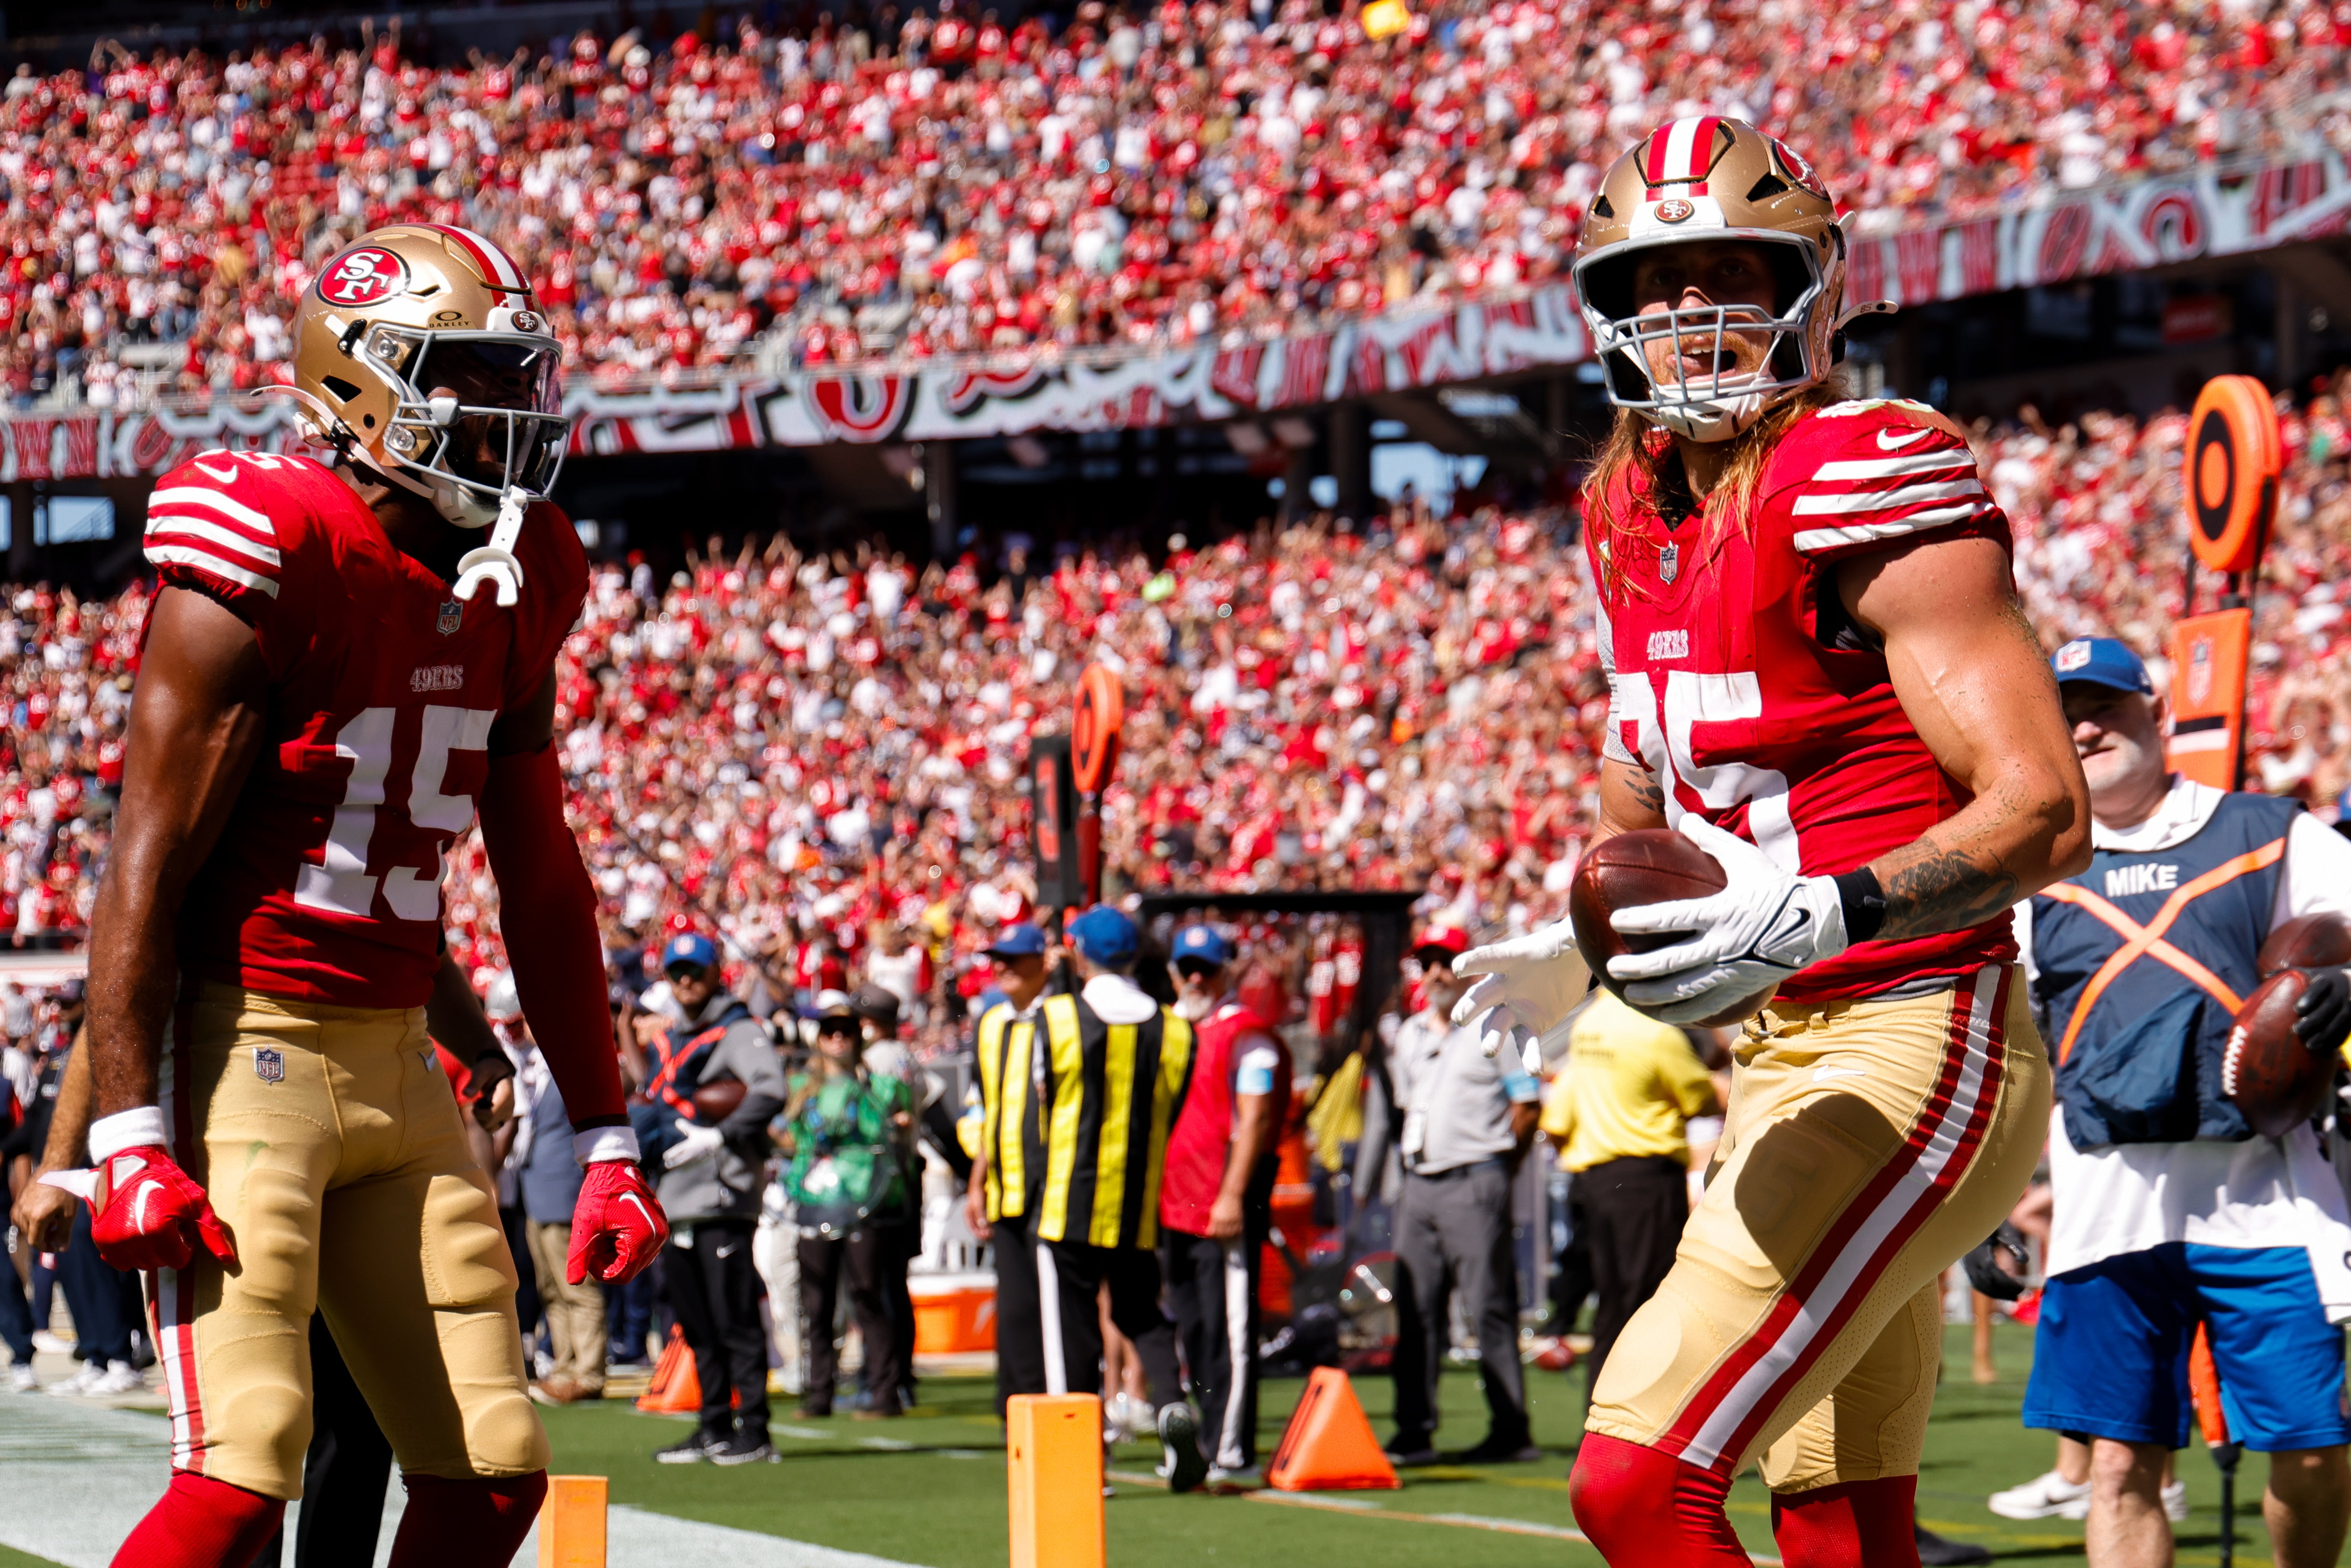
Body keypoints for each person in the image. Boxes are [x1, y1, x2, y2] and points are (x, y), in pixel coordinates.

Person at [1452, 118, 2089, 1567]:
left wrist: (1822, 907)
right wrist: (1589, 936)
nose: (1693, 313)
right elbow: (1649, 753)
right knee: (1829, 1503)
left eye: (1733, 270)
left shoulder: (1863, 466)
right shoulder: (1623, 505)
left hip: (1916, 1033)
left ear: (1815, 283)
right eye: (1658, 283)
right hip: (1780, 1052)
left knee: (1633, 1476)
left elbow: (2045, 805)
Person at [66, 224, 669, 1565]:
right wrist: (125, 1131)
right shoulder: (270, 542)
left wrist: (611, 1134)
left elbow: (542, 880)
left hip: (400, 1057)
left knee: (495, 1469)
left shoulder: (525, 567)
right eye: (472, 377)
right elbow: (144, 870)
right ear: (360, 385)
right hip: (245, 1044)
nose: (511, 412)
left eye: (519, 378)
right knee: (244, 1463)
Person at [2003, 637, 2351, 1568]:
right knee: (2119, 1463)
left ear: (2154, 712)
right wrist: (1988, 1204)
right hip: (2104, 1211)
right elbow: (2006, 1058)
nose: (2083, 726)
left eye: (2105, 705)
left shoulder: (2270, 831)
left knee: (2314, 1448)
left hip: (2269, 1201)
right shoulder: (2027, 873)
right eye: (2064, 709)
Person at [965, 910, 1186, 1415]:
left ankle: (1084, 1451)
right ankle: (1173, 1405)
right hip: (1132, 1192)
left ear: (1077, 954)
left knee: (1071, 1326)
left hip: (1065, 1192)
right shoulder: (1173, 1028)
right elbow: (1172, 1107)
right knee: (1139, 1310)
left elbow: (1044, 1101)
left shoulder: (1057, 1019)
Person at [1383, 922, 1544, 1467]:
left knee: (1488, 1307)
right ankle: (1414, 1429)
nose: (1435, 972)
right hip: (1421, 1181)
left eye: (1445, 960)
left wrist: (1497, 1170)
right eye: (1426, 961)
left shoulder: (1494, 1023)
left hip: (1474, 1176)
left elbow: (1526, 1105)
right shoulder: (1408, 1034)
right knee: (1415, 1308)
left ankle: (1510, 1427)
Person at [643, 933, 788, 1464]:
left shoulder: (738, 1029)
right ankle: (713, 1424)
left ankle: (755, 1426)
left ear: (715, 972)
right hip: (676, 1197)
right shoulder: (672, 1037)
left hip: (722, 1193)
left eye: (695, 970)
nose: (685, 980)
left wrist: (721, 1135)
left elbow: (770, 1089)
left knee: (733, 1315)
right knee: (696, 1321)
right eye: (676, 971)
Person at [1155, 923, 1290, 1490]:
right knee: (1193, 1326)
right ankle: (1203, 1441)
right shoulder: (1169, 1030)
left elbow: (1255, 1118)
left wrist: (1233, 1193)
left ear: (1226, 971)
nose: (1193, 978)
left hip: (1218, 1202)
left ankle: (1230, 1448)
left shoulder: (1245, 1035)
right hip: (1173, 1202)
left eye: (1205, 968)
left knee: (1228, 1331)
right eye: (1185, 967)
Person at [1541, 988, 1719, 1393]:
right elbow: (1701, 1100)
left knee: (1614, 1305)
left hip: (1595, 1178)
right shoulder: (1655, 1029)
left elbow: (1560, 1114)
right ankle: (1631, 1418)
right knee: (1646, 1306)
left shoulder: (1589, 1023)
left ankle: (1600, 1415)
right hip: (1644, 1180)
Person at [778, 996, 914, 1419]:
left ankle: (885, 1392)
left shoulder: (883, 1087)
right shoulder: (801, 1087)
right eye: (829, 1031)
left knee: (867, 1298)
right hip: (814, 1204)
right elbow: (787, 1139)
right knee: (817, 1305)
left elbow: (903, 1141)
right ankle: (818, 1393)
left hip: (864, 1205)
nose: (838, 1039)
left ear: (858, 1037)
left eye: (846, 1031)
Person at [496, 972, 608, 1407]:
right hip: (535, 1187)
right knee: (549, 1287)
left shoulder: (565, 1057)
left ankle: (589, 1370)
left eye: (518, 1023)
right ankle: (566, 1364)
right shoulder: (528, 1062)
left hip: (562, 1188)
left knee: (576, 1284)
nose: (512, 1033)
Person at [963, 922, 1058, 1414]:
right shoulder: (991, 1023)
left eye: (1013, 959)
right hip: (1006, 1185)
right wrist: (976, 1180)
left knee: (1059, 1306)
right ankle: (1018, 1412)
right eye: (996, 959)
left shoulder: (1063, 1018)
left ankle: (1063, 1406)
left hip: (1056, 1186)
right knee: (1017, 1307)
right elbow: (986, 1107)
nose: (1001, 968)